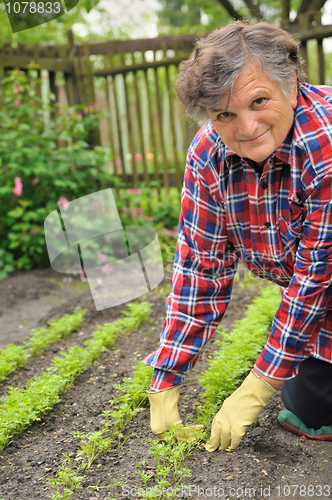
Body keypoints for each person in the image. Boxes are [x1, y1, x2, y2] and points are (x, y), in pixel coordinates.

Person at [143, 20, 332, 451]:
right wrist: (166, 374)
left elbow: (315, 277)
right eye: (224, 114)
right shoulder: (210, 154)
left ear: (292, 82)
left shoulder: (325, 144)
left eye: (259, 101)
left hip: (321, 285)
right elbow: (199, 264)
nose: (245, 128)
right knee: (308, 411)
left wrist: (257, 385)